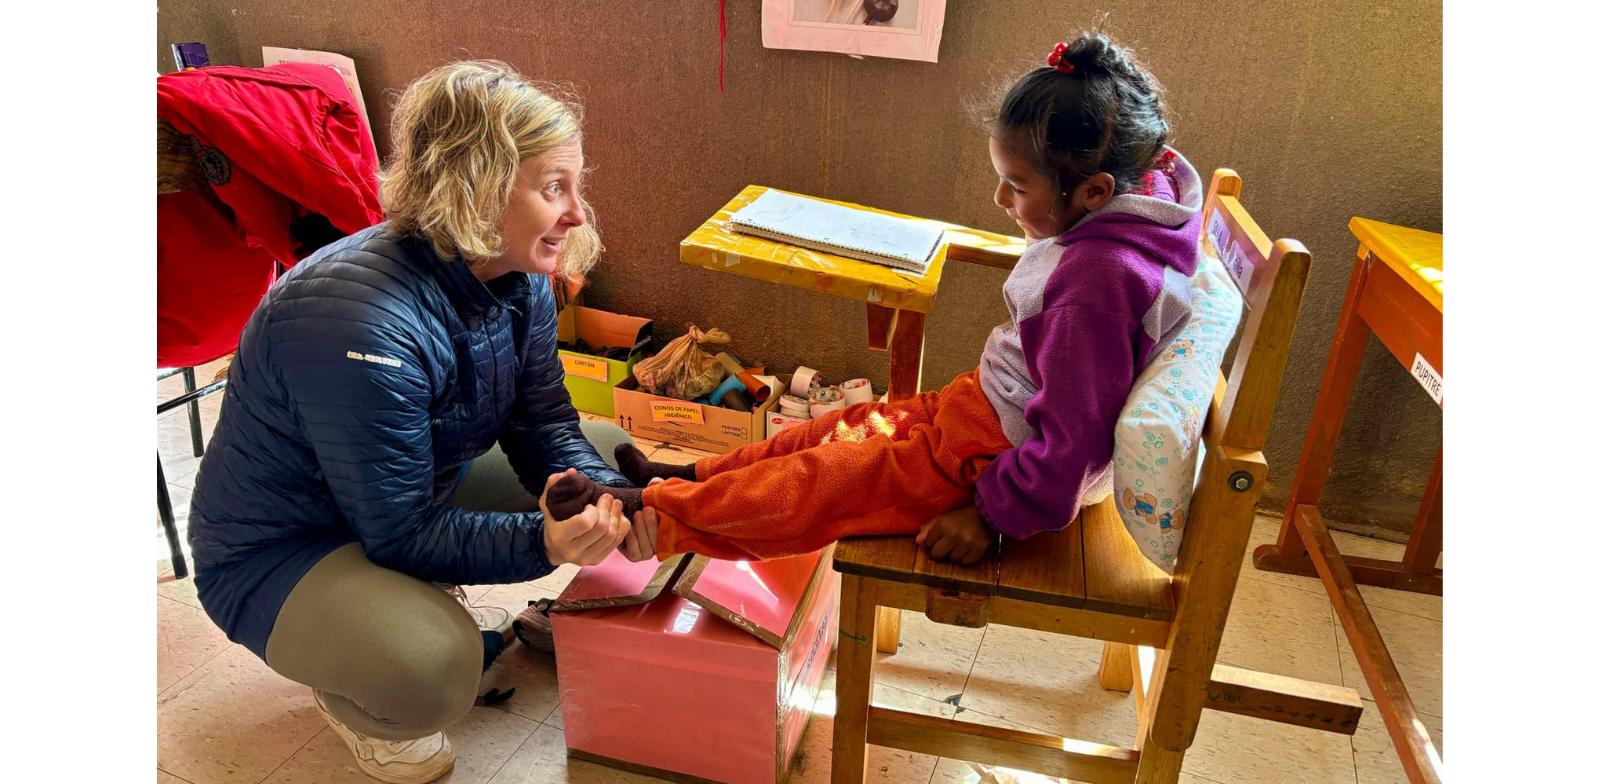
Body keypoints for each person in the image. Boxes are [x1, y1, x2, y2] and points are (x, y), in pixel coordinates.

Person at [548, 34, 1201, 566]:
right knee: (832, 430)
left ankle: (653, 518)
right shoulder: (1137, 206)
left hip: (991, 463)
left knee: (820, 486)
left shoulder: (1096, 284)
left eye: (1016, 186)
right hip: (977, 413)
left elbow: (1075, 442)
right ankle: (685, 480)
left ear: (1095, 190)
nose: (1002, 201)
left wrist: (990, 515)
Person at [186, 60, 650, 784]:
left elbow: (544, 424)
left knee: (608, 458)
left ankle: (396, 607)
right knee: (438, 665)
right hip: (279, 551)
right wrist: (546, 540)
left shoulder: (514, 275)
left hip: (392, 493)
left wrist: (599, 497)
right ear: (476, 184)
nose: (577, 212)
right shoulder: (360, 320)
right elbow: (401, 532)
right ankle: (364, 685)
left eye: (575, 185)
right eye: (554, 187)